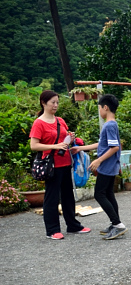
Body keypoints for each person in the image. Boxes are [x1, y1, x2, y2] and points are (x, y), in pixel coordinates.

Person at [29, 90, 91, 240]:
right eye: (52, 103)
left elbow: (64, 137)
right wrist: (55, 146)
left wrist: (70, 138)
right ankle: (52, 230)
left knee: (68, 196)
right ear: (44, 103)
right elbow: (34, 146)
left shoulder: (60, 120)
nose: (55, 105)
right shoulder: (39, 123)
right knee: (52, 197)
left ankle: (73, 226)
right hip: (51, 165)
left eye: (57, 102)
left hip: (65, 162)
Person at [74, 94, 127, 240]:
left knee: (99, 194)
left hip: (107, 166)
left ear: (105, 107)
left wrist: (98, 160)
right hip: (111, 166)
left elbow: (114, 147)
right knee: (108, 193)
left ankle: (117, 224)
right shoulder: (112, 124)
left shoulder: (109, 125)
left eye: (99, 108)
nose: (99, 112)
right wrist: (81, 148)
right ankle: (115, 223)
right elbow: (103, 144)